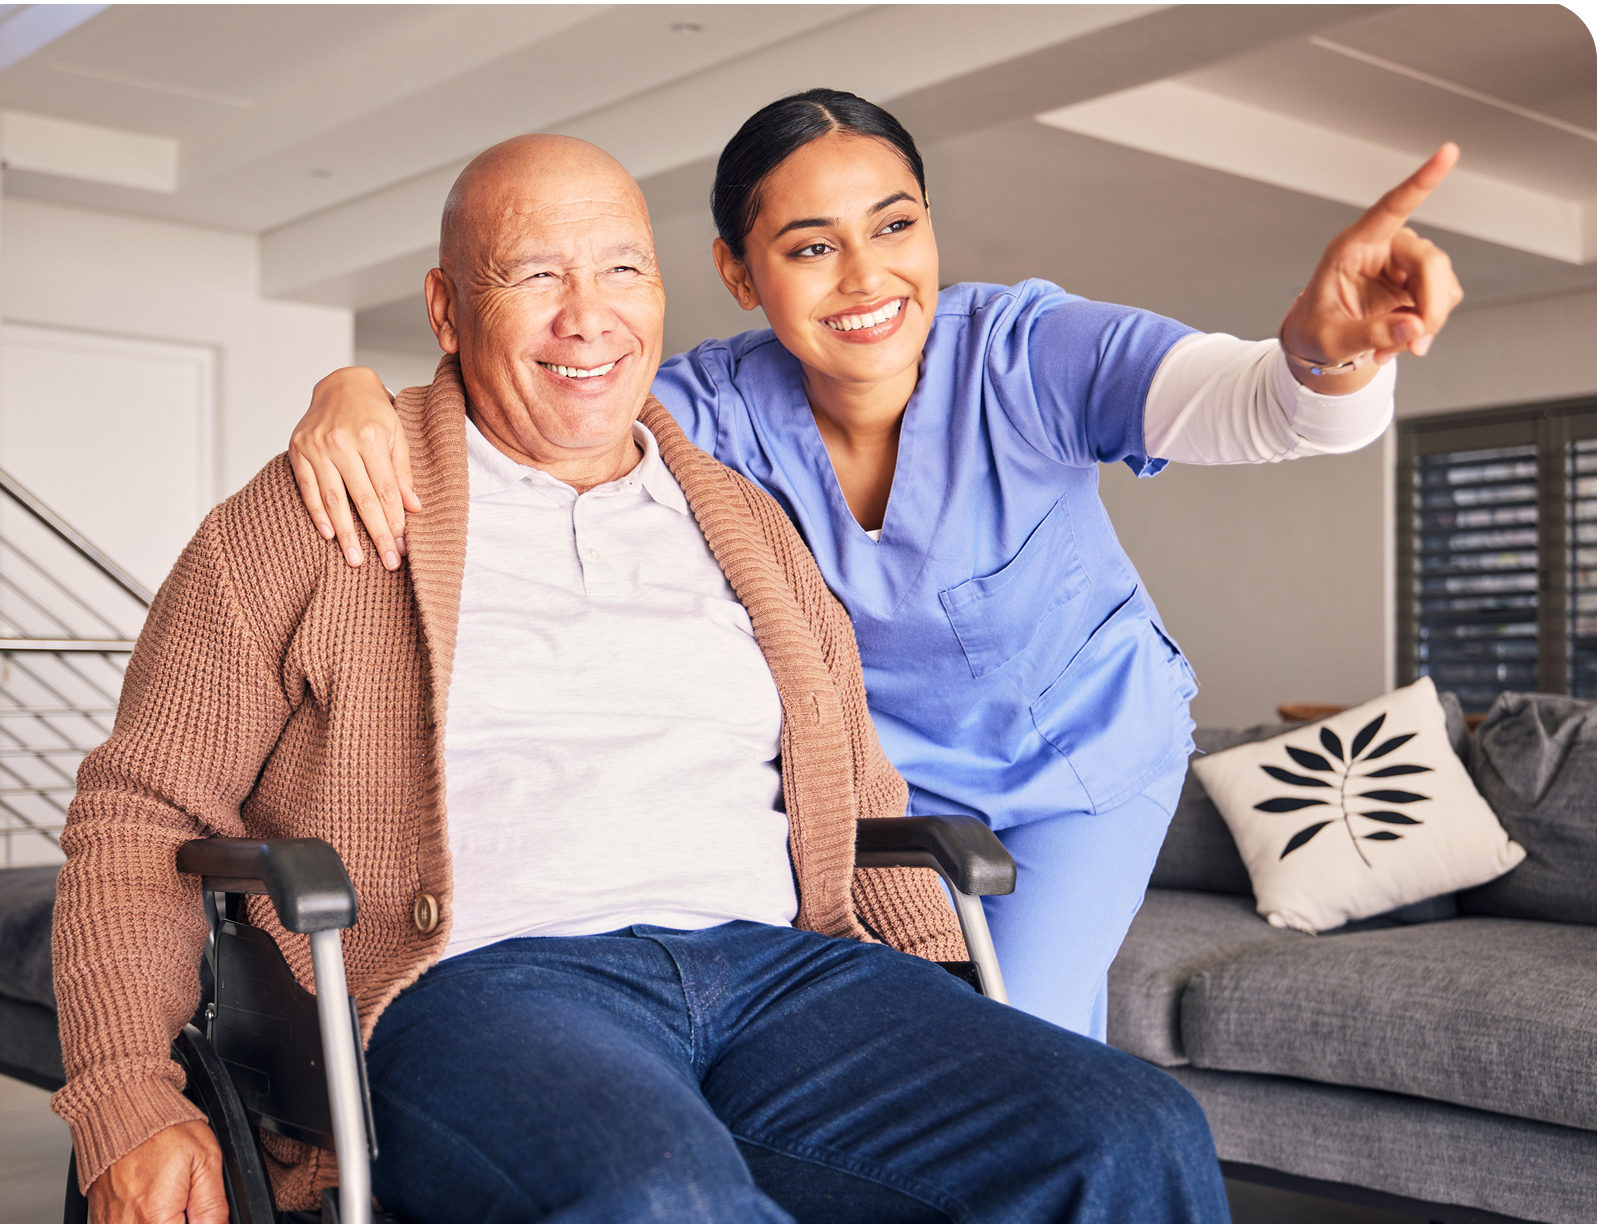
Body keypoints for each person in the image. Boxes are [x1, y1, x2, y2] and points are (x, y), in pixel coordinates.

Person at [53, 134, 1242, 1224]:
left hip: (782, 977)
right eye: (534, 276)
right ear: (446, 306)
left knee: (1124, 1133)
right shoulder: (317, 509)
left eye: (623, 271)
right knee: (669, 1213)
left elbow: (860, 790)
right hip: (483, 985)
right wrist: (126, 1093)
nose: (590, 318)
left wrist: (931, 1006)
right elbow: (143, 812)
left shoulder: (741, 518)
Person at [289, 90, 1464, 1040]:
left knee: (1021, 1046)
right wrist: (355, 390)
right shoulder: (707, 405)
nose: (864, 277)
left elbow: (1254, 406)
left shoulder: (1023, 350)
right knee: (878, 1060)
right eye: (810, 245)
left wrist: (1325, 358)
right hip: (881, 789)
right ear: (742, 276)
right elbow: (534, 398)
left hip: (1078, 771)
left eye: (893, 225)